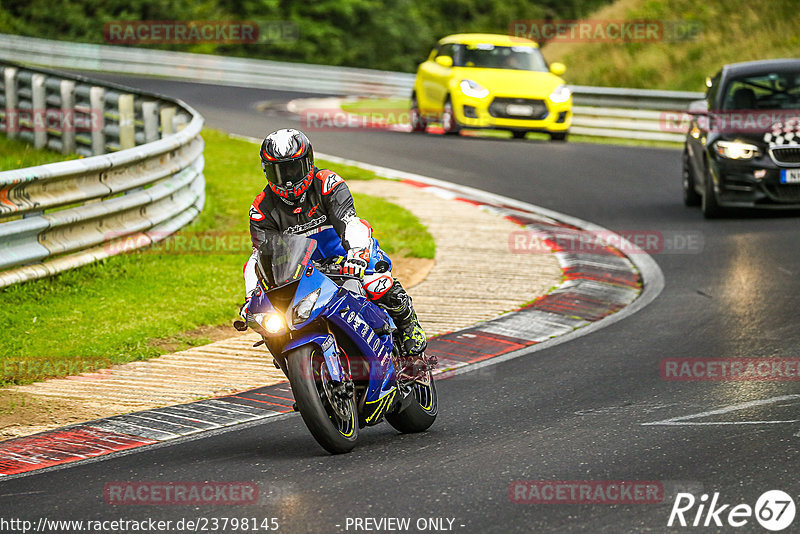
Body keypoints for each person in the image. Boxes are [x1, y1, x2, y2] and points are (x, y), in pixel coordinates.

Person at [240, 128, 429, 375]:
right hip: (306, 271)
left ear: (308, 162)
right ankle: (303, 374)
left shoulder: (327, 184)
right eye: (279, 171)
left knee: (376, 284)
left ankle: (409, 325)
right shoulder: (262, 208)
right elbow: (259, 257)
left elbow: (350, 222)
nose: (287, 179)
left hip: (349, 255)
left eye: (292, 169)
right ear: (266, 170)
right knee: (274, 323)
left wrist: (357, 255)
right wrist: (252, 295)